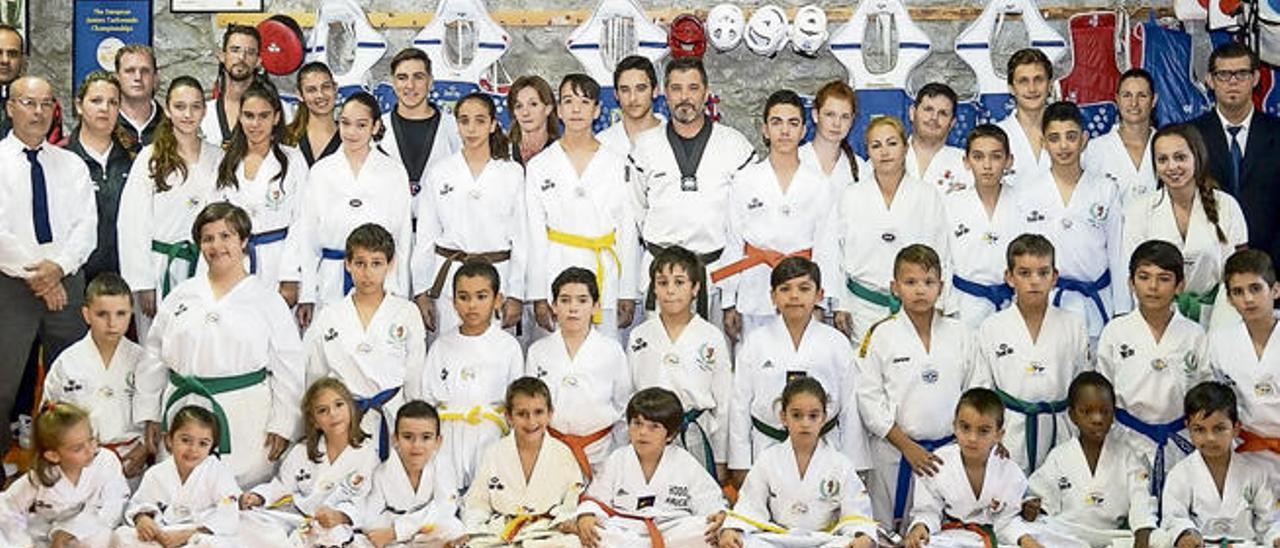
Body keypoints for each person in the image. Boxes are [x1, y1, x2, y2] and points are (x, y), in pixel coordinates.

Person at [132, 202, 303, 487]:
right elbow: (154, 357)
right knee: (178, 495)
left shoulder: (267, 299)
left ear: (244, 241)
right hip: (184, 409)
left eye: (226, 236)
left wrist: (284, 423)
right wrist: (149, 412)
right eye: (208, 238)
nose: (217, 245)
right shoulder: (181, 295)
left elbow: (289, 367)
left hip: (245, 417)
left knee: (239, 502)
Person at [0, 75, 96, 467]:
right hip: (10, 283)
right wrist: (38, 276)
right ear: (10, 108)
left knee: (71, 379)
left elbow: (85, 226)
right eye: (28, 103)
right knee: (3, 381)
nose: (37, 112)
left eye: (45, 104)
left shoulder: (70, 164)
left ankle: (68, 463)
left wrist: (57, 269)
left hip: (67, 283)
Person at [856, 244, 976, 530]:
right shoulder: (881, 335)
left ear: (941, 287)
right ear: (894, 287)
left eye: (928, 282)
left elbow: (975, 392)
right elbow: (868, 399)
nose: (920, 290)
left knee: (942, 531)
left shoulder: (962, 334)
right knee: (887, 529)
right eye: (910, 282)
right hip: (894, 453)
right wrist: (907, 446)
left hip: (948, 454)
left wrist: (963, 444)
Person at [630, 56, 755, 324]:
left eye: (693, 88)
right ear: (664, 93)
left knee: (711, 360)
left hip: (714, 274)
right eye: (676, 88)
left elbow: (746, 219)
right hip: (662, 276)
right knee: (660, 360)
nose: (684, 97)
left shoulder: (735, 146)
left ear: (706, 92)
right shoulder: (645, 147)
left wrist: (737, 289)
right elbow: (636, 211)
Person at [729, 257, 870, 486]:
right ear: (773, 297)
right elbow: (739, 406)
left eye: (804, 289)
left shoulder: (836, 343)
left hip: (825, 446)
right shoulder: (755, 342)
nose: (794, 296)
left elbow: (850, 407)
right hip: (768, 444)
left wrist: (855, 462)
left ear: (819, 295)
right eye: (785, 289)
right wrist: (740, 463)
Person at [719, 89, 840, 341]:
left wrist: (819, 304)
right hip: (755, 292)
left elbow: (827, 247)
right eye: (776, 122)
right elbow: (733, 242)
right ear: (765, 130)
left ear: (804, 131)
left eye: (793, 123)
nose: (785, 131)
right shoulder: (745, 180)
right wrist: (729, 301)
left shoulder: (819, 184)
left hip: (803, 293)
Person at [525, 74, 638, 339]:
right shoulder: (540, 166)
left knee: (603, 355)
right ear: (559, 110)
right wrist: (539, 294)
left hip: (604, 276)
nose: (576, 109)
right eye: (568, 101)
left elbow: (627, 230)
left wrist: (627, 291)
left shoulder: (618, 163)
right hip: (556, 269)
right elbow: (533, 234)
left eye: (585, 102)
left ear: (597, 110)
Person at [1096, 240, 1208, 500]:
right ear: (1131, 283)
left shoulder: (1195, 335)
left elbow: (1204, 393)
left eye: (1164, 278)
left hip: (1179, 439)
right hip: (1125, 439)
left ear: (1179, 285)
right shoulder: (1115, 331)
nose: (1153, 287)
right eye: (1144, 277)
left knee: (1180, 509)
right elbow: (1102, 392)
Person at [290, 91, 413, 324]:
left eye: (361, 125)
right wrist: (307, 293)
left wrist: (399, 292)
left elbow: (403, 238)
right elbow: (307, 235)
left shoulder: (393, 172)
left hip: (379, 279)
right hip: (330, 277)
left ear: (375, 127)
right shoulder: (322, 171)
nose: (351, 132)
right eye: (345, 124)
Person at [305, 223, 425, 460]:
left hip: (392, 415)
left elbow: (414, 378)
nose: (367, 273)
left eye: (376, 263)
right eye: (360, 263)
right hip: (344, 419)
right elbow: (315, 378)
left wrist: (414, 428)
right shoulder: (330, 315)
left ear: (390, 265)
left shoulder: (406, 312)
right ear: (347, 264)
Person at [410, 92, 527, 335]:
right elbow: (426, 237)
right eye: (464, 121)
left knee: (495, 354)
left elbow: (522, 239)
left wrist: (516, 293)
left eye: (480, 121)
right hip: (450, 279)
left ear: (493, 124)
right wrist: (421, 291)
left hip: (498, 279)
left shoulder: (512, 172)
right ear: (457, 125)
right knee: (449, 352)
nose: (471, 129)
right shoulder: (440, 172)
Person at [972, 234, 1090, 473]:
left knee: (1060, 501)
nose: (1034, 281)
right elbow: (982, 390)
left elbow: (1083, 388)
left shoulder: (1073, 325)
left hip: (1061, 432)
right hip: (1009, 434)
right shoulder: (992, 327)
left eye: (1043, 272)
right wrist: (991, 439)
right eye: (1024, 273)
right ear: (1009, 277)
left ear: (1054, 277)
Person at [117, 76, 223, 339]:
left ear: (205, 110)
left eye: (195, 107)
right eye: (180, 106)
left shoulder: (218, 157)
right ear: (167, 109)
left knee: (201, 344)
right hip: (160, 266)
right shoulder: (150, 158)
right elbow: (131, 223)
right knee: (157, 348)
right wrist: (142, 283)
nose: (188, 114)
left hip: (205, 266)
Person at [720, 377, 877, 547]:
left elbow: (856, 513)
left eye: (813, 416)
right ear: (784, 417)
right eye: (796, 415)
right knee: (743, 542)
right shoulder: (768, 459)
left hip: (824, 541)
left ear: (823, 418)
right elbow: (750, 506)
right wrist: (733, 529)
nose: (805, 423)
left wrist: (863, 536)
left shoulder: (841, 465)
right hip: (778, 539)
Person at [837, 115, 949, 341]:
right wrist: (841, 302)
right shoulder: (851, 195)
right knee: (865, 370)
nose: (884, 152)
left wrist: (941, 302)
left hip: (915, 303)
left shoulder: (926, 195)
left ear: (905, 148)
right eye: (876, 146)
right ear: (867, 151)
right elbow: (836, 252)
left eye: (892, 143)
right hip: (863, 304)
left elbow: (942, 252)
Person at [1123, 124, 1247, 325]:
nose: (1172, 167)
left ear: (1197, 158)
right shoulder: (1139, 210)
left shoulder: (1226, 206)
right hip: (1158, 315)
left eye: (1180, 157)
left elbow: (1242, 270)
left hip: (1220, 316)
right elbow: (1134, 272)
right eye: (1162, 159)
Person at [1020, 372, 1160, 548]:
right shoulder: (1060, 456)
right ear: (1072, 415)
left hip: (1110, 537)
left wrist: (1142, 534)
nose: (1097, 419)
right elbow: (1038, 494)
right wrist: (1031, 506)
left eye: (1105, 411)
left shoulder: (1128, 456)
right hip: (1066, 534)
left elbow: (1142, 501)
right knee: (1024, 532)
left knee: (1161, 540)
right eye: (1087, 412)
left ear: (1113, 414)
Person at [627, 246, 732, 479]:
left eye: (679, 282)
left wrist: (722, 459)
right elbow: (630, 392)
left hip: (693, 432)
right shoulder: (640, 336)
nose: (670, 291)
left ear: (695, 288)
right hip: (648, 435)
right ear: (653, 288)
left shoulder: (711, 336)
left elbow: (724, 403)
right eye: (662, 283)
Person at [417, 260, 524, 489]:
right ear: (453, 301)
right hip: (448, 437)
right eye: (463, 297)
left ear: (498, 299)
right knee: (445, 501)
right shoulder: (441, 345)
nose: (472, 305)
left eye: (481, 296)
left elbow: (516, 402)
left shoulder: (508, 347)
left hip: (490, 436)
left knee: (485, 502)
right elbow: (427, 398)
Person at [575, 387, 726, 548]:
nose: (642, 432)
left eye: (653, 426)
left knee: (707, 530)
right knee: (591, 533)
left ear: (670, 435)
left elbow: (709, 499)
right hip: (626, 529)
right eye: (637, 423)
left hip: (673, 529)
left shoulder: (684, 461)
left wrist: (718, 514)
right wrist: (587, 514)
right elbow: (596, 500)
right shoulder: (618, 459)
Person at [240, 378, 380, 546]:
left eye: (339, 405)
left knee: (330, 537)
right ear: (314, 421)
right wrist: (259, 496)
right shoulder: (302, 450)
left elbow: (364, 500)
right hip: (296, 516)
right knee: (250, 521)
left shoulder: (367, 454)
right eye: (323, 410)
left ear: (351, 408)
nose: (333, 414)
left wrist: (340, 516)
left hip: (336, 523)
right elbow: (282, 487)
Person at [902, 388, 1046, 548]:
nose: (972, 438)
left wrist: (1025, 539)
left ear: (999, 435)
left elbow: (1007, 521)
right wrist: (921, 526)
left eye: (983, 431)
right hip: (948, 537)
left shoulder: (1010, 472)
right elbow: (927, 511)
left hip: (992, 538)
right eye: (965, 427)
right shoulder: (936, 464)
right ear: (954, 427)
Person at [526, 267, 634, 479]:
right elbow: (529, 407)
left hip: (601, 452)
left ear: (596, 307)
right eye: (565, 300)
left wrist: (619, 453)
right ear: (554, 306)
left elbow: (623, 407)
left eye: (582, 300)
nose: (573, 308)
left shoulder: (611, 351)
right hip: (550, 450)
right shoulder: (537, 351)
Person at [1033, 101, 1127, 340]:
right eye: (1054, 138)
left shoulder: (1105, 189)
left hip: (1097, 301)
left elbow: (1117, 253)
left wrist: (1122, 310)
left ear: (1084, 139)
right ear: (1043, 143)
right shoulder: (1027, 192)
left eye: (1071, 136)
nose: (1063, 146)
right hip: (1049, 303)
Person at [41, 273, 147, 481]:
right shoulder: (68, 362)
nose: (112, 323)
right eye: (102, 314)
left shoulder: (143, 360)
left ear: (131, 313)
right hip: (79, 464)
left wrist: (144, 450)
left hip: (130, 460)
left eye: (121, 314)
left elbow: (156, 417)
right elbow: (49, 418)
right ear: (86, 314)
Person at [461, 377, 586, 547]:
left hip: (547, 531)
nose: (531, 422)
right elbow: (477, 502)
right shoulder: (494, 453)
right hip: (502, 532)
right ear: (509, 417)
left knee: (573, 543)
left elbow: (573, 497)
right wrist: (473, 529)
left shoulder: (562, 453)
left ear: (550, 414)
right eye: (522, 414)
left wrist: (565, 519)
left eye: (538, 412)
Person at [1189, 41, 1280, 268]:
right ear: (1210, 80)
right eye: (1223, 75)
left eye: (1241, 73)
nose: (1232, 82)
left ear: (1256, 78)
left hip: (1271, 266)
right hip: (1209, 266)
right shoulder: (1190, 137)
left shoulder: (1277, 133)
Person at [945, 124, 1045, 329]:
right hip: (965, 306)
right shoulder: (951, 205)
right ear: (966, 161)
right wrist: (945, 306)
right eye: (978, 157)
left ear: (1009, 161)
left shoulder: (1025, 203)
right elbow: (943, 261)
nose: (987, 165)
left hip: (1013, 304)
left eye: (996, 157)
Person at [214, 82, 308, 292]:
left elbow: (301, 221)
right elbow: (214, 218)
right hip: (233, 259)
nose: (255, 124)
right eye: (249, 115)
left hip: (278, 260)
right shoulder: (226, 161)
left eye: (263, 116)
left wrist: (290, 276)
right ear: (240, 117)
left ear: (276, 117)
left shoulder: (293, 160)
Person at [1160, 382, 1280, 547]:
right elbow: (1173, 518)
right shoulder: (1180, 474)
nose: (1210, 438)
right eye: (1199, 429)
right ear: (1188, 428)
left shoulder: (1255, 473)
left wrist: (1275, 537)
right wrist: (1185, 534)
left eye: (1219, 429)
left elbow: (1269, 523)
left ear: (1236, 428)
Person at [112, 406, 247, 547]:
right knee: (122, 535)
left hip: (200, 531)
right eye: (185, 440)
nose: (193, 449)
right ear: (169, 439)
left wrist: (189, 534)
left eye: (203, 444)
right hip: (165, 532)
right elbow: (139, 503)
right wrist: (142, 519)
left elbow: (229, 511)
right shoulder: (156, 473)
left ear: (211, 447)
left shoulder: (217, 471)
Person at [0, 402, 128, 548]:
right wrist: (24, 544)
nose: (90, 450)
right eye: (78, 448)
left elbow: (115, 502)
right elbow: (7, 507)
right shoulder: (40, 476)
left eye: (91, 439)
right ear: (53, 455)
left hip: (86, 533)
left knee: (104, 538)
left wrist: (71, 531)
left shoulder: (106, 461)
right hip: (41, 537)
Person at [1205, 249, 1280, 494]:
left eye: (1256, 288)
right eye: (1238, 292)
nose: (1248, 299)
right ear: (1229, 299)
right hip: (1244, 451)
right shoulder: (1218, 343)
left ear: (1276, 290)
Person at [362, 401, 467, 548]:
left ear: (438, 441)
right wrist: (391, 532)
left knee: (454, 528)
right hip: (392, 538)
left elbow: (445, 507)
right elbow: (369, 518)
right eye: (408, 436)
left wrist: (398, 530)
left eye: (426, 437)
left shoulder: (442, 464)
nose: (417, 445)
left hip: (425, 532)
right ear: (395, 439)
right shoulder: (381, 473)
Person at [66, 71, 135, 283]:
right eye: (96, 101)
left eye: (113, 102)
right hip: (75, 279)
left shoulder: (135, 160)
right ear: (79, 105)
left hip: (125, 279)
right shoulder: (62, 159)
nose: (104, 108)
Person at [381, 48, 461, 214]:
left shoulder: (453, 127)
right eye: (402, 78)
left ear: (430, 81)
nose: (410, 85)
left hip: (440, 230)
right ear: (393, 82)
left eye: (418, 77)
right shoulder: (376, 127)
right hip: (388, 229)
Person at [1081, 69, 1159, 207]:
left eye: (1142, 95)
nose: (1134, 103)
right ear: (1117, 100)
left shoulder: (1167, 147)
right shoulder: (1095, 149)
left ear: (1154, 100)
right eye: (1127, 95)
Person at [997, 48, 1054, 187]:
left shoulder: (1068, 134)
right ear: (1011, 88)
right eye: (1023, 81)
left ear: (1050, 85)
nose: (1032, 89)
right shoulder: (995, 135)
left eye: (1038, 80)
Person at [202, 24, 264, 147]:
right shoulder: (204, 113)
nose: (242, 57)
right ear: (222, 56)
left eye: (250, 52)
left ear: (258, 61)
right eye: (235, 50)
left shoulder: (276, 112)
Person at [0, 25, 63, 143]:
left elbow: (52, 149)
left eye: (12, 54)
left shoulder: (44, 103)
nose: (5, 60)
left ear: (23, 60)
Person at [906, 82, 970, 194]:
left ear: (952, 123)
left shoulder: (966, 163)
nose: (934, 118)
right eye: (928, 109)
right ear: (912, 113)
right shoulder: (886, 157)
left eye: (943, 113)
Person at [800, 80, 861, 191]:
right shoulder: (792, 161)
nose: (837, 123)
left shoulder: (862, 170)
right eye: (830, 115)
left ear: (852, 121)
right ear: (815, 115)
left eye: (845, 116)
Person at [597, 54, 664, 156]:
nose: (632, 98)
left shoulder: (674, 139)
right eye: (625, 90)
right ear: (616, 95)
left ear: (655, 91)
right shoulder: (602, 143)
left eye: (640, 89)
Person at [283, 61, 340, 167]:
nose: (320, 95)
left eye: (326, 87)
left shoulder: (351, 137)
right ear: (300, 95)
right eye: (311, 90)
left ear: (335, 88)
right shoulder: (286, 138)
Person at [113, 44, 163, 149]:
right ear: (117, 78)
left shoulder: (172, 127)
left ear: (155, 77)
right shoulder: (105, 125)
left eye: (145, 71)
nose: (138, 77)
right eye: (130, 71)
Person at [507, 75, 559, 165]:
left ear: (548, 108)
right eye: (519, 106)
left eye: (533, 104)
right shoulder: (501, 153)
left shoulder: (562, 154)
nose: (525, 113)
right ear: (513, 112)